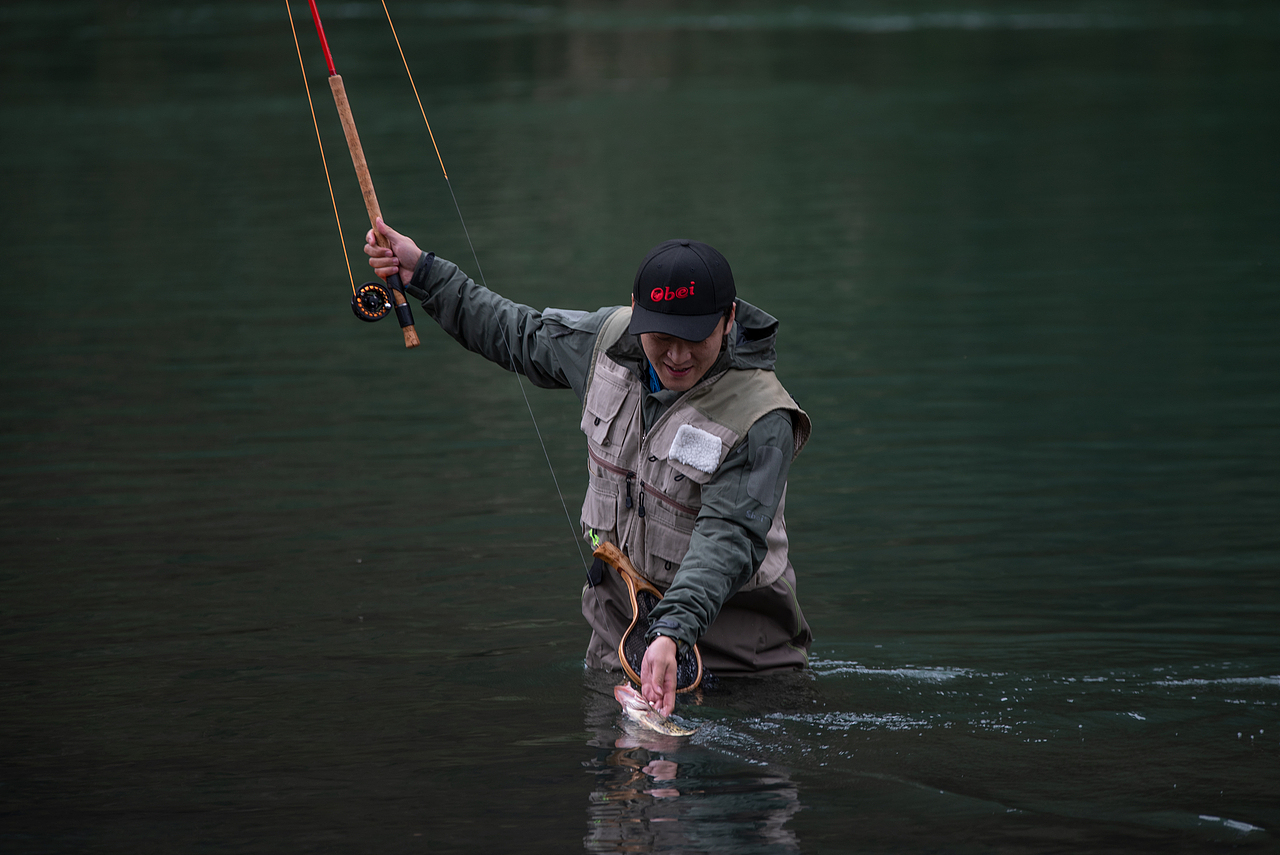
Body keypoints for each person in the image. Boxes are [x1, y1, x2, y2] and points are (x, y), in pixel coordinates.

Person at [365, 219, 812, 716]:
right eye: (662, 336)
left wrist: (671, 631)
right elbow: (518, 332)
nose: (677, 355)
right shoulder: (607, 342)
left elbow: (727, 540)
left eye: (695, 337)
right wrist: (426, 273)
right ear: (637, 313)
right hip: (618, 652)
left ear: (728, 319)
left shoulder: (761, 418)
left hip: (743, 670)